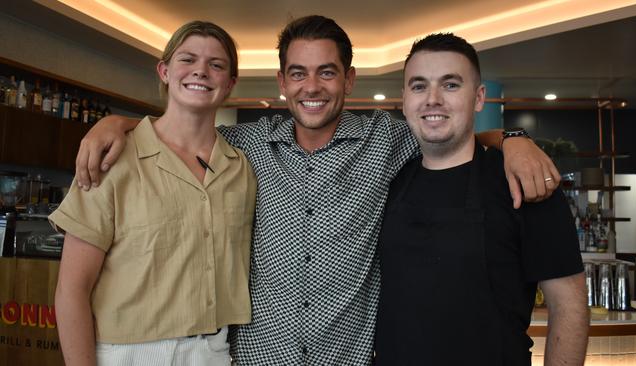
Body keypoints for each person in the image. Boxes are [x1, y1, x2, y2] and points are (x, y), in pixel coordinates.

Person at [72, 15, 561, 365]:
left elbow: (445, 126)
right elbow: (176, 131)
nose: (312, 86)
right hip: (257, 358)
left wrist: (514, 140)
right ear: (282, 82)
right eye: (298, 73)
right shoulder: (242, 146)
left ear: (348, 78)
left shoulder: (388, 140)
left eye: (327, 72)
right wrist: (115, 124)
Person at [374, 33, 589, 366]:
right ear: (404, 100)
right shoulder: (388, 180)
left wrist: (513, 141)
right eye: (419, 86)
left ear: (478, 98)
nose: (433, 99)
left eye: (450, 85)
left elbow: (570, 307)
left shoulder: (524, 182)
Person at [50, 21, 256, 366]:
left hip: (214, 351)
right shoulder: (112, 158)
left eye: (216, 65)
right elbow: (71, 290)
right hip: (127, 353)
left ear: (230, 83)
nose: (201, 72)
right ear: (164, 71)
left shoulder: (241, 168)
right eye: (187, 59)